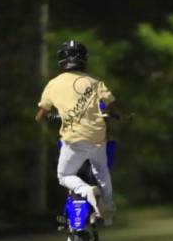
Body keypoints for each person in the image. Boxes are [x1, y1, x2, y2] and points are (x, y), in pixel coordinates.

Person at [35, 40, 120, 224]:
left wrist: (49, 117)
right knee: (102, 171)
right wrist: (122, 116)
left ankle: (85, 190)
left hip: (73, 141)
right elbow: (113, 106)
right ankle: (107, 208)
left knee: (64, 175)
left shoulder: (53, 84)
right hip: (98, 138)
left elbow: (41, 114)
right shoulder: (95, 82)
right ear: (84, 60)